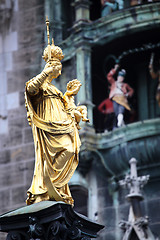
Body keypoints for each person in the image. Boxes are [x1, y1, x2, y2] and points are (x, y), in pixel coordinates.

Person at [25, 39, 86, 206]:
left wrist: (70, 96)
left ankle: (55, 186)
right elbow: (30, 90)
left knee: (71, 148)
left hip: (60, 125)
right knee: (66, 148)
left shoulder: (55, 89)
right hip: (48, 126)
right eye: (56, 68)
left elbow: (66, 109)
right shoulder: (41, 84)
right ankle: (46, 185)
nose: (58, 72)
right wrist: (45, 73)